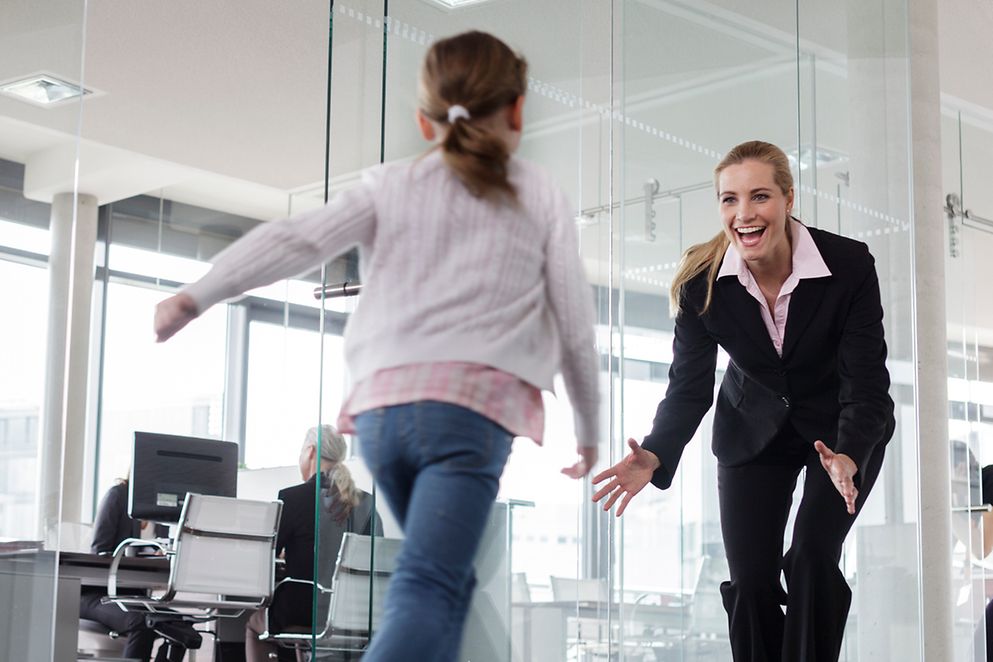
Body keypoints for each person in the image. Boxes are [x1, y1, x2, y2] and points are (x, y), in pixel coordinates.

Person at [154, 30, 600, 662]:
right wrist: (589, 427)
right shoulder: (538, 194)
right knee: (428, 582)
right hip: (468, 417)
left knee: (446, 577)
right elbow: (575, 324)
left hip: (386, 418)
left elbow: (293, 240)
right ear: (519, 110)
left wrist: (196, 295)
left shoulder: (389, 185)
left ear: (423, 121)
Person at [591, 140, 895, 662]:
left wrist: (850, 453)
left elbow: (866, 385)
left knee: (811, 557)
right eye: (729, 200)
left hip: (839, 432)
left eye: (759, 197)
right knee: (752, 583)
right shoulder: (701, 282)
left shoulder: (847, 265)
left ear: (788, 199)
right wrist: (658, 451)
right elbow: (688, 388)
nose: (744, 214)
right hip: (752, 430)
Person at [245, 425, 381, 662]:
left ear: (310, 451)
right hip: (356, 615)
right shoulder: (368, 504)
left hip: (307, 612)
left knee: (253, 624)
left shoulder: (292, 498)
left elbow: (265, 557)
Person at [80, 478, 192, 662]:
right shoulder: (118, 496)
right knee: (142, 622)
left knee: (182, 625)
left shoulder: (165, 507)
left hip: (136, 597)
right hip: (98, 594)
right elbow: (99, 551)